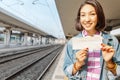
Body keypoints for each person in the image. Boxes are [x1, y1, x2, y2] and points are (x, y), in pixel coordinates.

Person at [63, 0, 120, 80]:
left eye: (92, 14)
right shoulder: (72, 43)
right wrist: (77, 64)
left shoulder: (112, 41)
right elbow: (66, 71)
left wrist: (110, 63)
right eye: (83, 15)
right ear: (80, 18)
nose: (87, 19)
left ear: (99, 16)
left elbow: (118, 74)